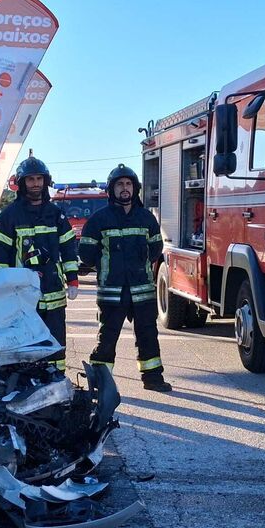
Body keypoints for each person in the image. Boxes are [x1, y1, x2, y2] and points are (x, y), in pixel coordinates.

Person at [79, 164, 171, 392]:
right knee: (107, 338)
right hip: (112, 291)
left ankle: (153, 379)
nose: (125, 188)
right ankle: (100, 383)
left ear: (135, 188)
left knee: (148, 335)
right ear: (112, 190)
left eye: (128, 184)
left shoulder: (146, 218)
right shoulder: (99, 220)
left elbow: (156, 248)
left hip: (142, 290)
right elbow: (86, 253)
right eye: (120, 184)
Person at [0, 154, 79, 374]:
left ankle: (56, 379)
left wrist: (73, 279)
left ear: (45, 181)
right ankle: (26, 380)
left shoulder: (56, 214)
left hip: (54, 291)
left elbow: (68, 247)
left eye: (39, 179)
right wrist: (5, 282)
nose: (36, 184)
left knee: (56, 339)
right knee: (25, 339)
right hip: (23, 294)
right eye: (31, 179)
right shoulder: (10, 216)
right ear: (21, 183)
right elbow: (0, 251)